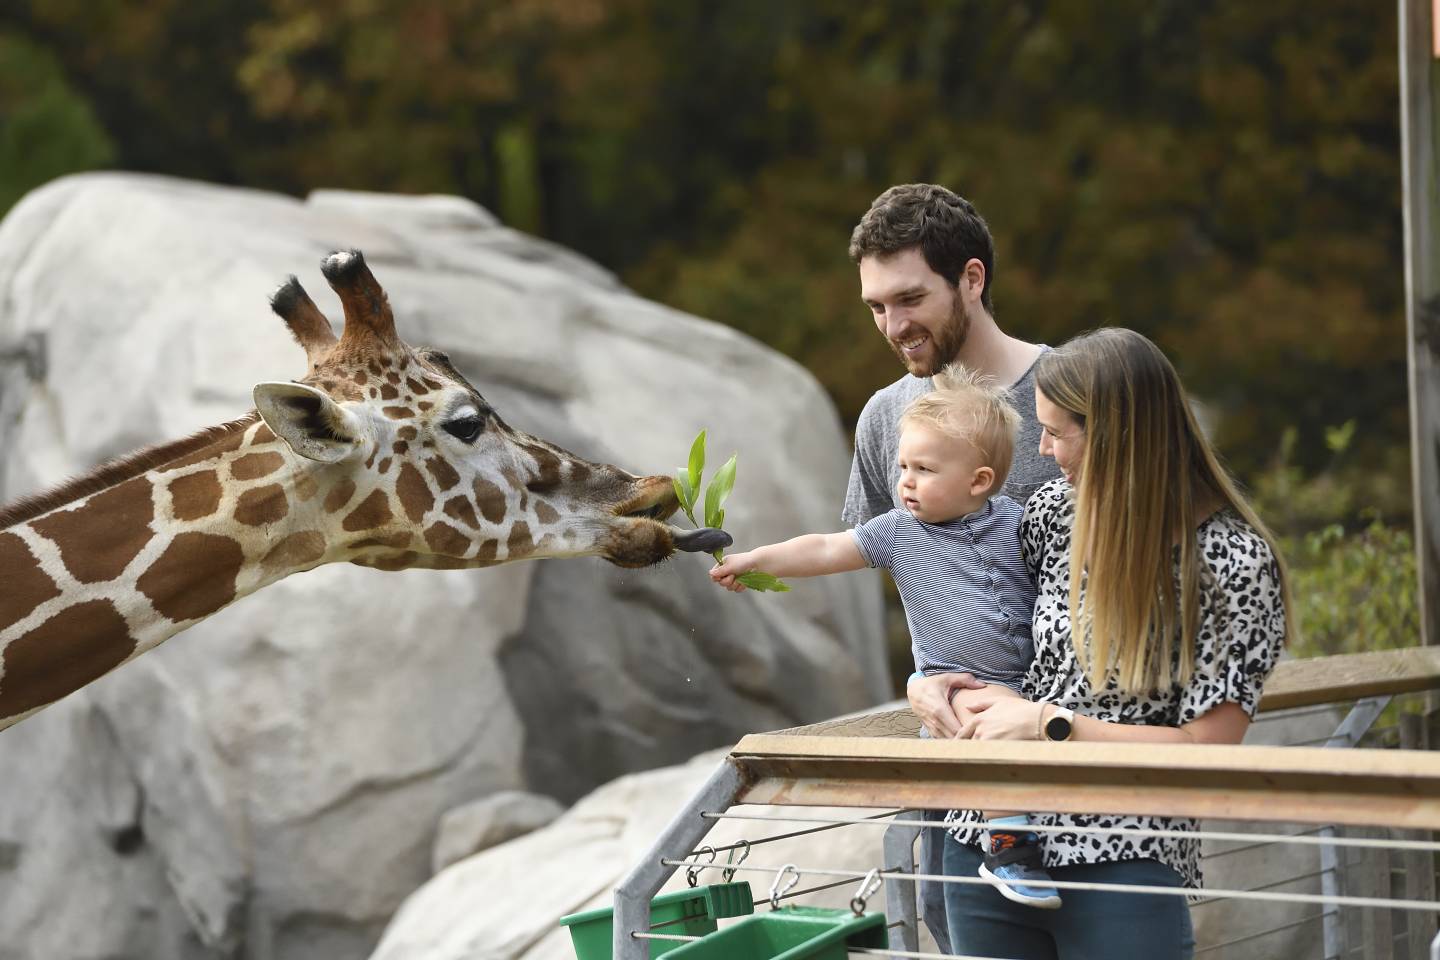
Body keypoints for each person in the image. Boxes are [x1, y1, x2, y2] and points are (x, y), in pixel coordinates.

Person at [935, 327, 1292, 959]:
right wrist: (927, 683)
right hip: (987, 844)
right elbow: (980, 619)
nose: (1043, 451)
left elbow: (1208, 750)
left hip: (1123, 857)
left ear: (1115, 435)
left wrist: (1051, 725)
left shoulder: (1230, 559)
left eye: (1056, 433)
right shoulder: (1053, 512)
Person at [711, 367, 1061, 907]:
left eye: (924, 469)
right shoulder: (898, 531)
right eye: (903, 467)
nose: (906, 482)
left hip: (1028, 684)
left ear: (979, 481)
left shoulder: (1017, 522)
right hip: (957, 688)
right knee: (987, 738)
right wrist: (758, 558)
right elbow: (828, 548)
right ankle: (1011, 850)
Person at [844, 183, 1063, 943]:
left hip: (1084, 754)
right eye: (876, 306)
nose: (894, 325)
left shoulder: (1075, 392)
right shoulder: (884, 419)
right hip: (961, 772)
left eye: (909, 298)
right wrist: (917, 682)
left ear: (971, 278)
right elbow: (900, 568)